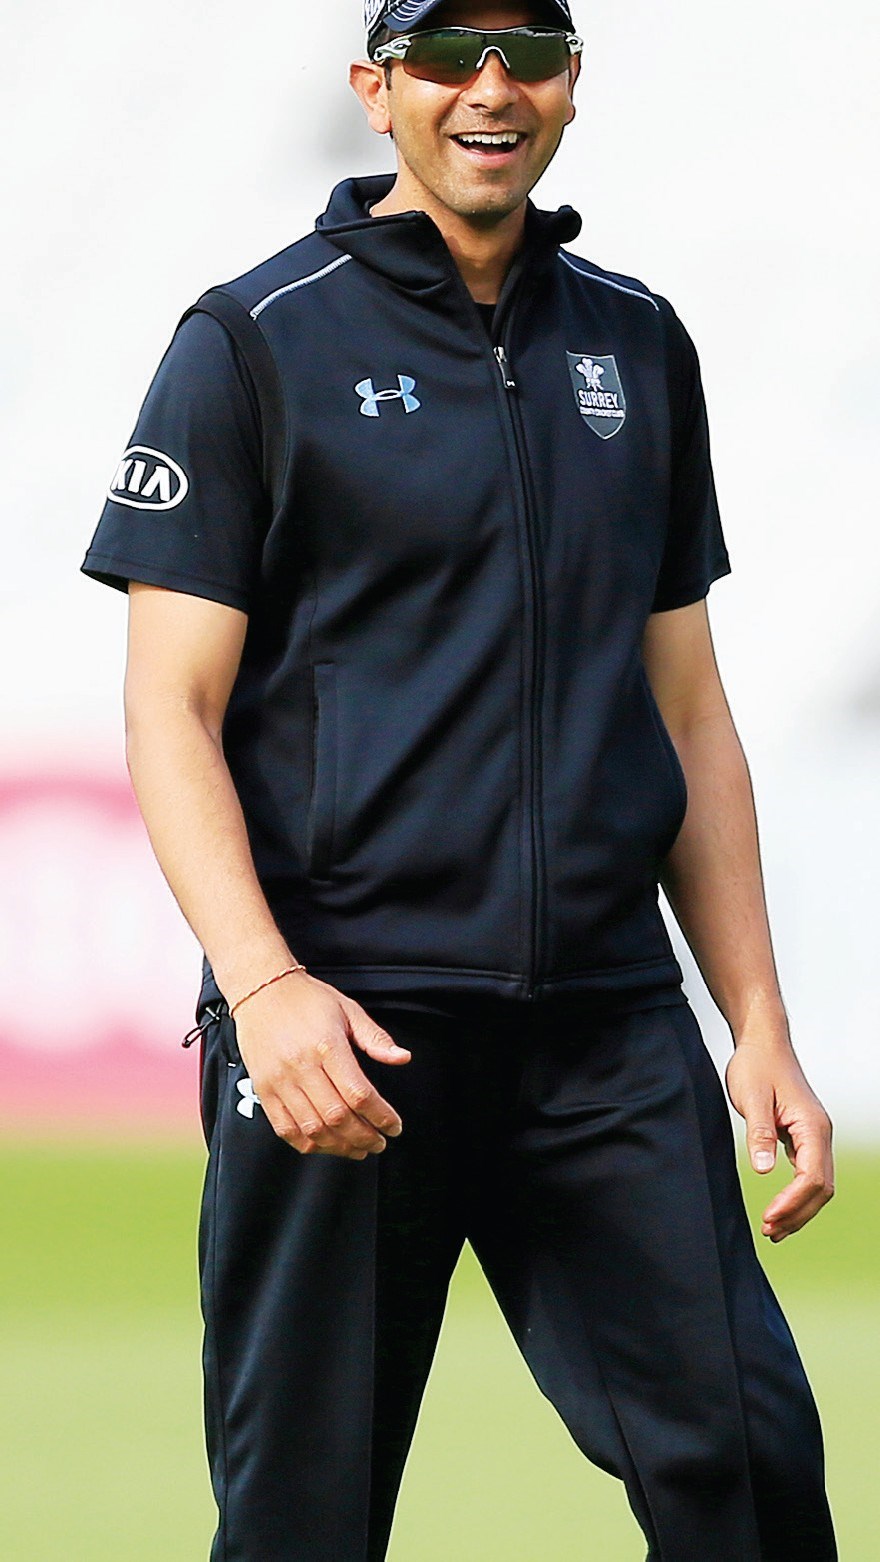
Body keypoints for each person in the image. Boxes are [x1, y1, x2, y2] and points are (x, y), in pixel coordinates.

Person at [81, 0, 838, 1556]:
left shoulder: (636, 341)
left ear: (572, 86)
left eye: (527, 54)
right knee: (303, 1519)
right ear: (378, 90)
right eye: (445, 56)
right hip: (347, 1027)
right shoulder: (251, 339)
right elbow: (170, 707)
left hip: (606, 1027)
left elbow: (687, 707)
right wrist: (266, 987)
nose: (490, 88)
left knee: (750, 1469)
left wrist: (756, 1016)